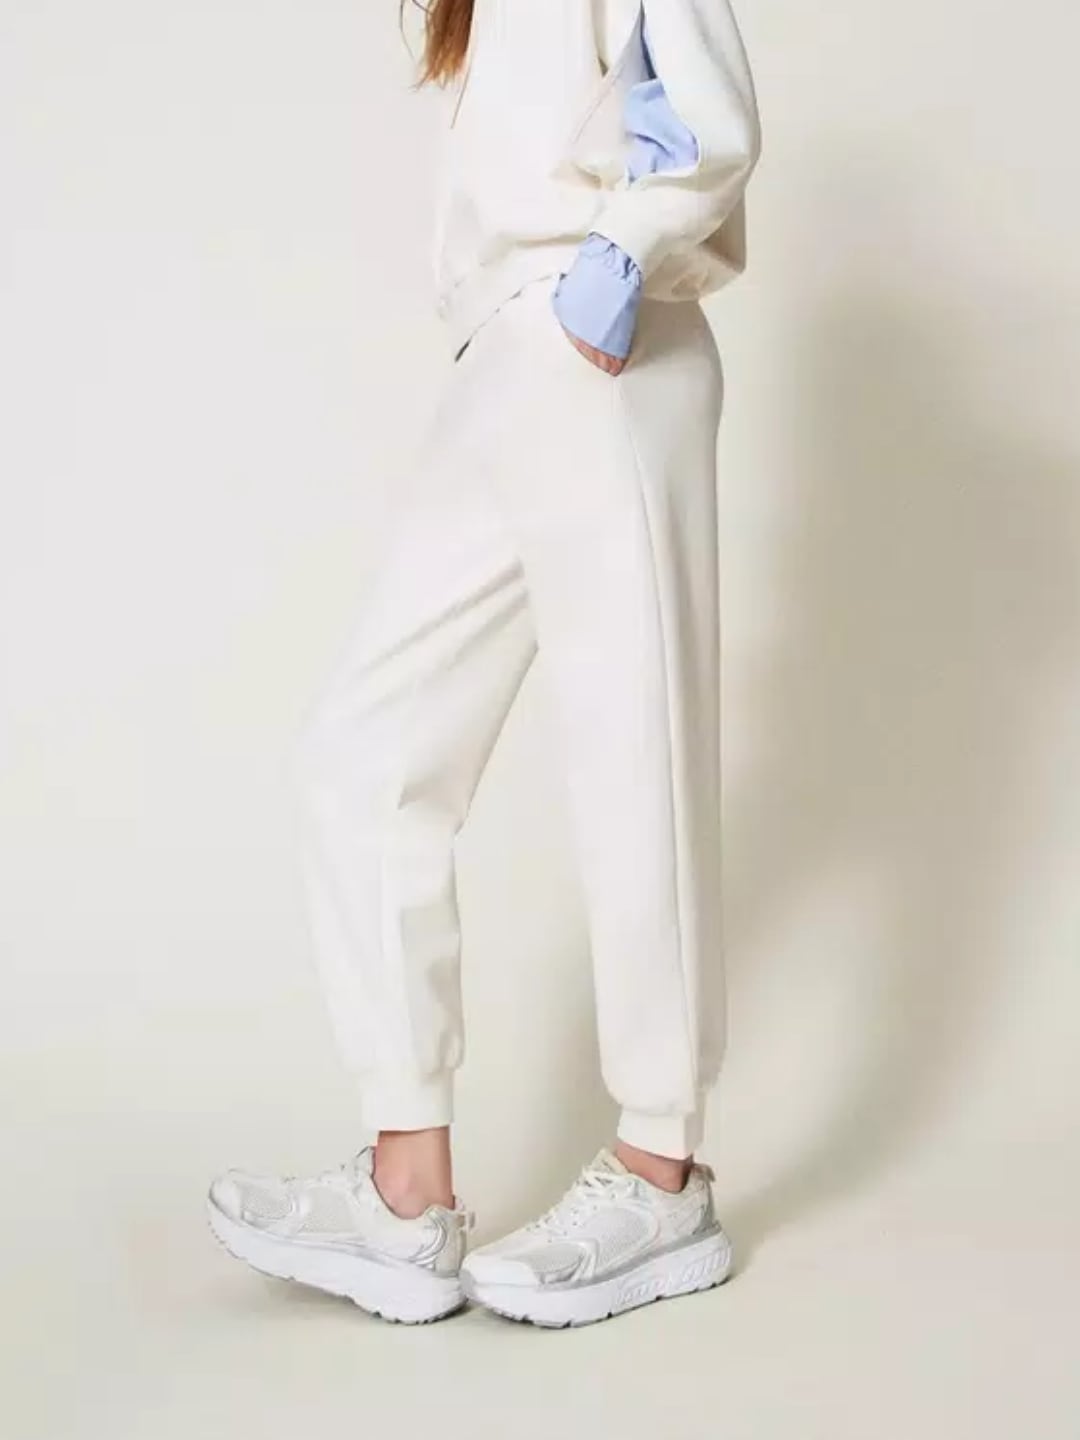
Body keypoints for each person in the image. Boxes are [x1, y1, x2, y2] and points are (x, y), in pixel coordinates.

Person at [207, 0, 761, 1328]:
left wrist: (616, 263)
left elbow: (712, 119)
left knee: (636, 756)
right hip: (511, 353)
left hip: (603, 341)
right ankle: (406, 1197)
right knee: (365, 751)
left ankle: (662, 1173)